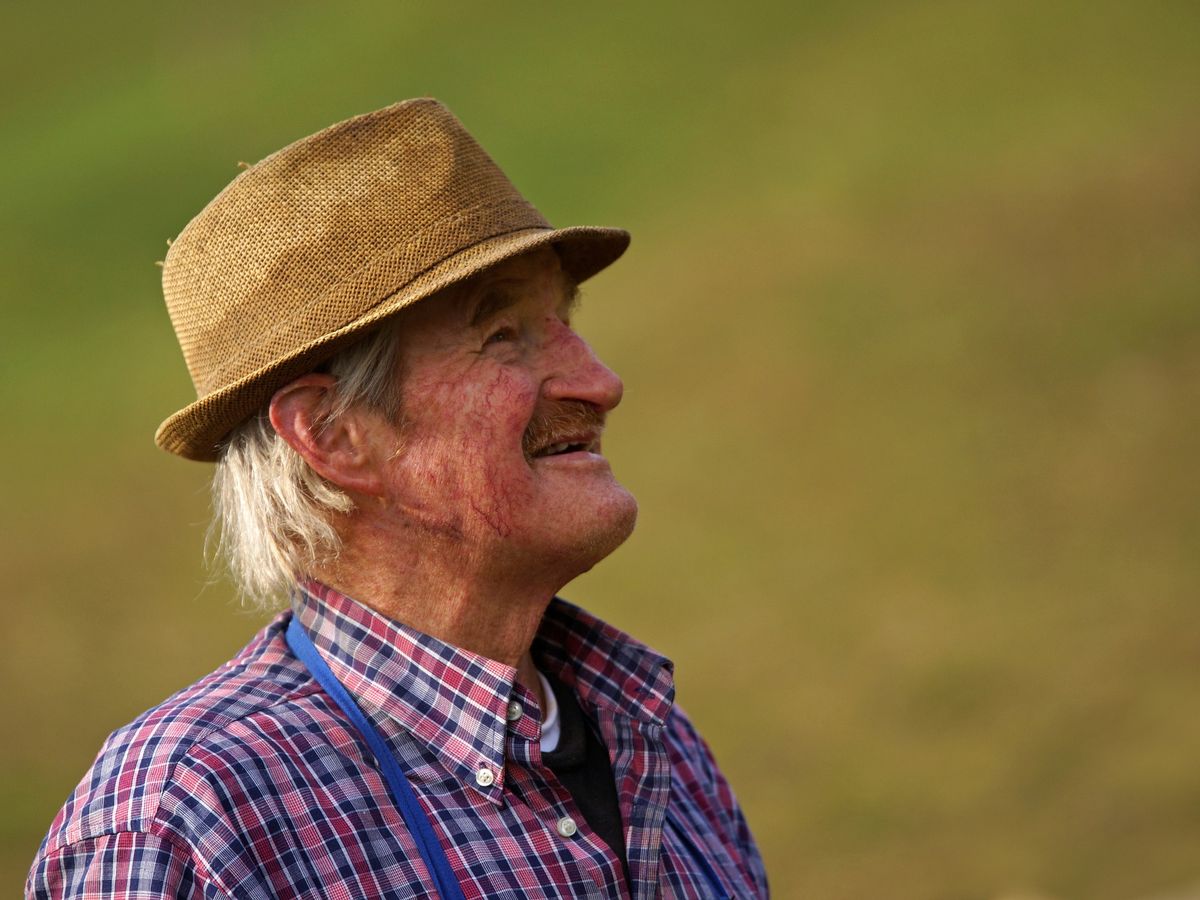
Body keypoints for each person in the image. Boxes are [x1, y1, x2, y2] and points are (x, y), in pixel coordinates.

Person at [27, 98, 768, 899]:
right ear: (336, 434)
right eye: (503, 336)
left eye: (563, 321)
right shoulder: (187, 816)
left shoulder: (654, 744)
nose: (600, 382)